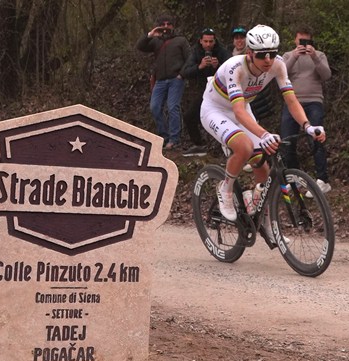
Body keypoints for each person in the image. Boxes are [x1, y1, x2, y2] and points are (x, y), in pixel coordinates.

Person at [200, 25, 326, 226]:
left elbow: (292, 100)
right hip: (215, 109)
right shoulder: (236, 67)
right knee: (244, 146)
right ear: (249, 53)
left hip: (242, 106)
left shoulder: (278, 65)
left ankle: (262, 218)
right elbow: (239, 112)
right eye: (262, 55)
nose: (268, 59)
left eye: (272, 53)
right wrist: (265, 133)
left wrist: (308, 126)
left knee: (262, 163)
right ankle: (226, 188)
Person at [280, 27, 333, 196]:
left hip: (313, 101)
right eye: (300, 41)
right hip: (292, 102)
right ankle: (293, 177)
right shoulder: (288, 56)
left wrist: (314, 56)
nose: (303, 44)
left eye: (307, 41)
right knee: (287, 140)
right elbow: (281, 74)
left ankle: (322, 180)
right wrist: (295, 56)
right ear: (295, 41)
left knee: (316, 137)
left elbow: (326, 75)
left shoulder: (319, 55)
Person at [136, 14, 190, 150]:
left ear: (173, 25)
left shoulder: (181, 40)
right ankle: (164, 137)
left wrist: (181, 74)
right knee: (154, 107)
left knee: (173, 107)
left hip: (175, 79)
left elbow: (189, 59)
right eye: (163, 24)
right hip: (160, 80)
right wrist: (150, 34)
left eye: (169, 24)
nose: (166, 27)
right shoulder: (155, 41)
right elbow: (140, 46)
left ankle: (175, 139)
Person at [181, 28, 231, 157]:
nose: (208, 44)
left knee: (222, 118)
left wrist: (218, 67)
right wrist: (200, 66)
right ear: (201, 41)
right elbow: (185, 72)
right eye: (206, 41)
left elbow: (232, 69)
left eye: (211, 41)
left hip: (222, 92)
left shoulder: (222, 51)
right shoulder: (196, 52)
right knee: (189, 116)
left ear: (215, 41)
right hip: (204, 91)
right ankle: (199, 145)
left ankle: (223, 146)